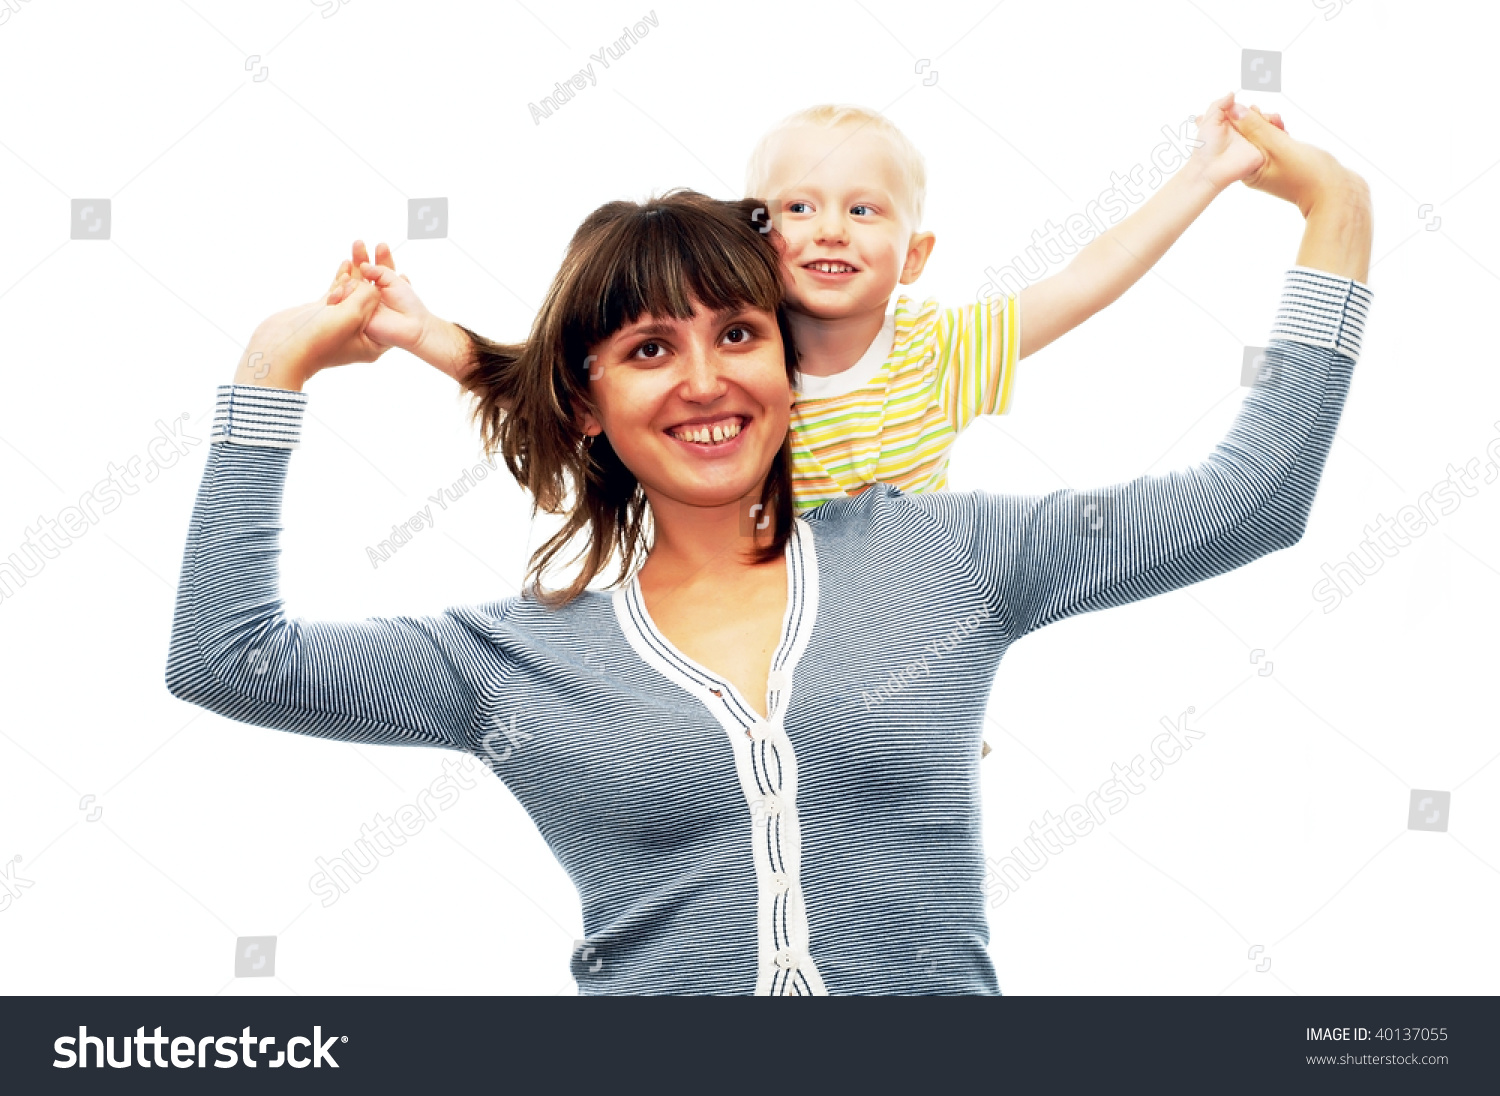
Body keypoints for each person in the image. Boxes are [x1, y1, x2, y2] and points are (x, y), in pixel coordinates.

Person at [166, 105, 1372, 995]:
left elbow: (1251, 500)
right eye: (646, 349)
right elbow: (228, 659)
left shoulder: (943, 559)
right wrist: (274, 371)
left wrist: (1339, 212)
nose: (704, 380)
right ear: (584, 403)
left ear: (787, 371)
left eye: (738, 331)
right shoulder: (512, 661)